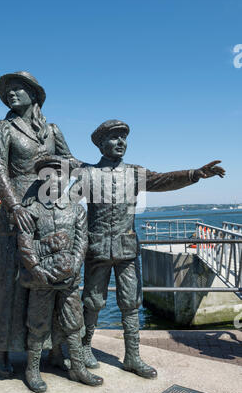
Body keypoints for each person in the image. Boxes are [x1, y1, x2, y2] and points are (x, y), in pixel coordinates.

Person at [73, 119, 225, 378]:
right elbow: (66, 205)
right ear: (100, 144)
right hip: (96, 248)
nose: (121, 142)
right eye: (114, 137)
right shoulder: (87, 174)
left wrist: (194, 174)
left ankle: (132, 356)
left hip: (127, 249)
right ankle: (85, 346)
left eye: (124, 137)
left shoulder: (134, 173)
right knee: (92, 301)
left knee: (131, 303)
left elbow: (164, 180)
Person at [0, 71, 75, 377]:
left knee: (52, 281)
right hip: (17, 214)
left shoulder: (53, 129)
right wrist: (14, 206)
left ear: (34, 94)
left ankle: (54, 349)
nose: (11, 94)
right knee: (9, 283)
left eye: (18, 89)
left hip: (49, 213)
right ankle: (2, 350)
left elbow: (69, 162)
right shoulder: (2, 128)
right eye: (8, 90)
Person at [17, 156, 103, 392]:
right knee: (37, 323)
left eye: (60, 174)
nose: (54, 179)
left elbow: (81, 241)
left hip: (69, 280)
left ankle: (77, 367)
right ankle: (32, 369)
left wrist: (75, 265)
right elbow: (24, 243)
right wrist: (36, 269)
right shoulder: (31, 210)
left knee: (74, 322)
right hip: (41, 280)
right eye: (48, 175)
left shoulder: (77, 210)